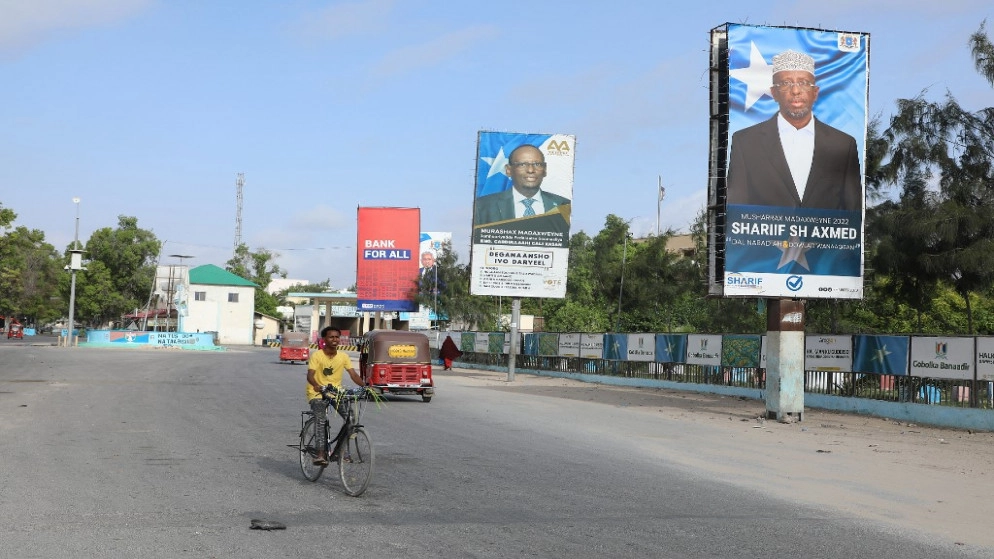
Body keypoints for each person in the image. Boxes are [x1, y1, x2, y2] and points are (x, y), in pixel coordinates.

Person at [726, 49, 862, 211]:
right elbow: (737, 210)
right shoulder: (746, 142)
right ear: (774, 93)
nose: (795, 91)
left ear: (815, 92)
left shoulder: (843, 145)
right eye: (786, 83)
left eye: (804, 83)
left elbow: (852, 211)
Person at [473, 144, 571, 229]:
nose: (530, 170)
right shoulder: (483, 206)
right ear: (508, 170)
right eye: (522, 164)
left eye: (537, 164)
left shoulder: (563, 205)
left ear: (544, 169)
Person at [306, 326, 364, 465]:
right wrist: (316, 385)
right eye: (331, 337)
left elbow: (353, 374)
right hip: (317, 393)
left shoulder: (343, 356)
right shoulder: (317, 355)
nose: (334, 339)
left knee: (351, 419)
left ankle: (339, 452)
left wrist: (365, 387)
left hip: (335, 393)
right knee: (320, 419)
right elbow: (310, 375)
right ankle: (320, 454)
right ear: (324, 339)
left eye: (337, 337)